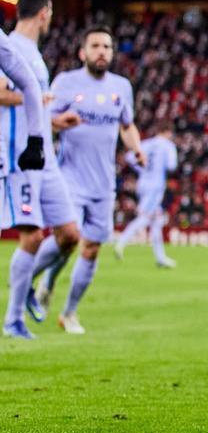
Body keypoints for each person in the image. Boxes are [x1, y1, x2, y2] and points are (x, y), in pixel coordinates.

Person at [31, 26, 144, 334]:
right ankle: (30, 279)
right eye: (95, 46)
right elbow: (42, 121)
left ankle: (68, 313)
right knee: (68, 236)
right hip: (69, 177)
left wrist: (137, 149)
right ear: (83, 52)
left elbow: (127, 126)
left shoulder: (121, 87)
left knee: (91, 248)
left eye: (107, 47)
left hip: (103, 183)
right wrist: (57, 122)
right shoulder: (66, 83)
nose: (101, 51)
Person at [0, 3, 51, 340]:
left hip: (14, 154)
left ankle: (15, 316)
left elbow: (29, 84)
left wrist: (35, 139)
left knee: (49, 233)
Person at [114, 124, 178, 268]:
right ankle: (120, 243)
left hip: (142, 183)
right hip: (155, 187)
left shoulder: (147, 143)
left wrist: (142, 169)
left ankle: (160, 258)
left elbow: (130, 157)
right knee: (145, 218)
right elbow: (171, 166)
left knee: (157, 221)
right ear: (167, 132)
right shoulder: (168, 146)